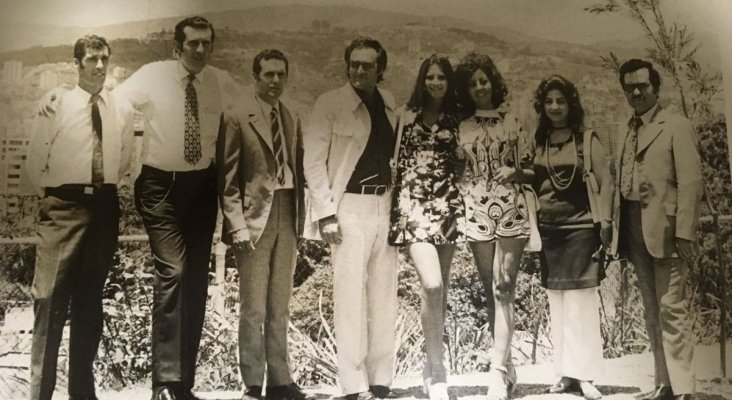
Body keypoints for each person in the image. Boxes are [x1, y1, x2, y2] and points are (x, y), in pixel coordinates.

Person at [25, 34, 135, 400]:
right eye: (91, 59)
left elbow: (125, 158)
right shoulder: (56, 104)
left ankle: (82, 394)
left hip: (104, 208)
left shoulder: (121, 108)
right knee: (49, 299)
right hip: (62, 207)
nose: (99, 66)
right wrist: (55, 200)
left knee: (90, 301)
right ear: (78, 63)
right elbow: (33, 162)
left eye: (104, 58)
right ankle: (39, 394)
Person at [302, 36, 398, 400]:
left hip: (385, 206)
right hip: (349, 208)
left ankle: (381, 380)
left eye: (367, 65)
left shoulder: (388, 103)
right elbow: (313, 161)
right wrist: (326, 213)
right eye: (354, 64)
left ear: (380, 70)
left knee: (383, 294)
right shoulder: (330, 104)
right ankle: (353, 385)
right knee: (350, 296)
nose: (359, 70)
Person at [217, 49, 308, 400]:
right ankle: (253, 384)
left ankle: (281, 382)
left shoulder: (292, 114)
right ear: (255, 77)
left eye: (280, 75)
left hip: (287, 213)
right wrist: (236, 225)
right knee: (253, 305)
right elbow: (227, 180)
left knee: (280, 304)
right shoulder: (237, 116)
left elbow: (297, 170)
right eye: (268, 74)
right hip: (254, 221)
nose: (275, 81)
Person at [614, 59, 701, 400]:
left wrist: (685, 232)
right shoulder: (626, 128)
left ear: (655, 88)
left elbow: (692, 182)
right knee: (651, 309)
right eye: (629, 87)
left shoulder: (675, 125)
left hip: (666, 230)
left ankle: (685, 390)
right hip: (634, 228)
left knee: (671, 308)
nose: (636, 92)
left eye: (643, 86)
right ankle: (664, 384)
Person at [454, 52, 533, 400]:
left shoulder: (513, 120)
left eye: (483, 81)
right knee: (490, 290)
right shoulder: (461, 125)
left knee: (504, 286)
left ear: (493, 82)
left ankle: (497, 373)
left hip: (510, 208)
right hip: (475, 211)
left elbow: (532, 169)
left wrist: (515, 173)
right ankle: (507, 364)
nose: (479, 87)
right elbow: (455, 171)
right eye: (472, 83)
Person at [387, 54, 466, 400]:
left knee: (441, 291)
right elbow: (393, 163)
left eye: (442, 78)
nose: (436, 82)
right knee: (431, 285)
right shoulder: (406, 117)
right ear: (422, 80)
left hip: (447, 210)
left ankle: (432, 368)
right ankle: (437, 370)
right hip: (415, 211)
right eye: (430, 77)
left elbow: (464, 162)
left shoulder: (457, 119)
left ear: (449, 83)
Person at [531, 75, 613, 400]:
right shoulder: (540, 140)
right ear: (543, 106)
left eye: (561, 101)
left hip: (580, 231)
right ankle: (564, 374)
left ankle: (586, 376)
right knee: (558, 303)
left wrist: (605, 222)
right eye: (549, 101)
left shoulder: (586, 139)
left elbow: (606, 181)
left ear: (571, 104)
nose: (555, 107)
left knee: (582, 303)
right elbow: (534, 178)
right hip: (549, 232)